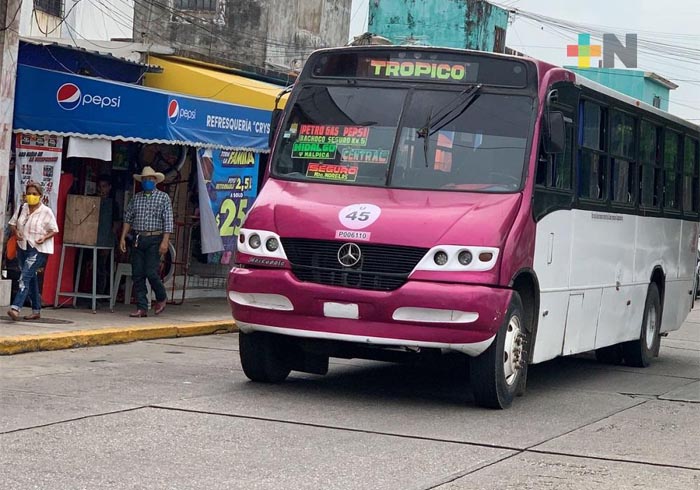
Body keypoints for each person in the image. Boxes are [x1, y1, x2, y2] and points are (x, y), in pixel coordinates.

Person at [119, 166, 173, 317]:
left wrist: (165, 241)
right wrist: (123, 237)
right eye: (144, 180)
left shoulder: (163, 198)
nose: (147, 182)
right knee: (137, 274)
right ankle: (142, 307)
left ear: (155, 181)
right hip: (138, 237)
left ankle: (161, 296)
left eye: (150, 179)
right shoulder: (136, 198)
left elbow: (168, 221)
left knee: (151, 271)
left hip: (155, 238)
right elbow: (128, 218)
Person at [7, 181, 59, 321]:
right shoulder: (21, 208)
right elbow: (12, 224)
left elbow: (54, 230)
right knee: (31, 278)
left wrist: (44, 237)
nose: (31, 196)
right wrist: (16, 232)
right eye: (29, 193)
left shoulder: (46, 211)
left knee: (25, 276)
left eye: (34, 194)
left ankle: (15, 307)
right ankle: (36, 310)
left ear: (40, 196)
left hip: (38, 249)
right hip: (22, 246)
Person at [95, 174, 121, 295]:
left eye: (104, 186)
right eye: (100, 186)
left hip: (106, 241)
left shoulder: (113, 205)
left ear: (109, 187)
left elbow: (115, 225)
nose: (101, 189)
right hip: (91, 239)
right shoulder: (93, 201)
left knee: (102, 268)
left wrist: (109, 241)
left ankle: (102, 294)